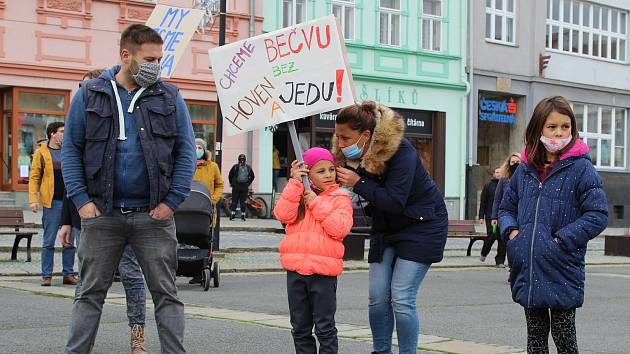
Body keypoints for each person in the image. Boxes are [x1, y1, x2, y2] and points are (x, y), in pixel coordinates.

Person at [62, 24, 196, 354]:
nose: (157, 66)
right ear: (126, 55)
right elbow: (71, 149)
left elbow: (186, 151)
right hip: (101, 214)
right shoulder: (90, 93)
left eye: (160, 59)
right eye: (150, 59)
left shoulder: (169, 96)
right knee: (89, 295)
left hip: (153, 215)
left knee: (166, 295)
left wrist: (172, 200)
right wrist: (81, 201)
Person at [333, 101, 448, 354]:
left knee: (402, 297)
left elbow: (395, 201)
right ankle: (380, 351)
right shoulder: (355, 158)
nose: (340, 143)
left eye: (345, 137)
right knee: (377, 298)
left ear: (365, 136)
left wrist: (359, 182)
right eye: (337, 137)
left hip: (422, 225)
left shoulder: (401, 151)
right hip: (387, 227)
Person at [499, 96, 608, 353]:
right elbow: (506, 207)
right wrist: (513, 234)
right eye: (552, 127)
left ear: (573, 129)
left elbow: (598, 214)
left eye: (565, 126)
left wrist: (561, 240)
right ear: (538, 129)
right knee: (535, 341)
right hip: (529, 266)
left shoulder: (581, 168)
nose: (559, 132)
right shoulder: (525, 169)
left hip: (562, 265)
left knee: (564, 339)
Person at [57, 68, 148, 354]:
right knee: (87, 282)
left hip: (123, 211)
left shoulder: (115, 119)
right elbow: (71, 181)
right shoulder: (79, 125)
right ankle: (82, 342)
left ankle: (137, 337)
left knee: (132, 276)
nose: (85, 94)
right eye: (82, 88)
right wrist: (67, 221)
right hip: (89, 215)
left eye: (88, 87)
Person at [273, 147, 353, 354]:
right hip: (296, 271)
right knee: (299, 327)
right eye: (321, 171)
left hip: (323, 274)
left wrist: (316, 203)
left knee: (325, 328)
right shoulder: (298, 195)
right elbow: (282, 214)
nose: (328, 175)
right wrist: (294, 183)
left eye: (331, 169)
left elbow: (340, 229)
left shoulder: (340, 197)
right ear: (308, 173)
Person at [29, 121, 76, 286]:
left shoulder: (69, 151)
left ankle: (68, 274)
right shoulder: (41, 153)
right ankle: (47, 275)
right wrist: (33, 200)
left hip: (70, 203)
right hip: (52, 203)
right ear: (52, 134)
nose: (65, 134)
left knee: (69, 241)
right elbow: (34, 178)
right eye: (62, 131)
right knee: (49, 241)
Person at [189, 137, 224, 284]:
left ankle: (200, 271)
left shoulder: (212, 166)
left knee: (204, 240)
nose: (197, 150)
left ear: (204, 150)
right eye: (195, 147)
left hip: (205, 210)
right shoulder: (187, 164)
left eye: (200, 148)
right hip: (186, 209)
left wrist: (212, 199)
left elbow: (219, 185)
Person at [488, 152, 521, 267]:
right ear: (509, 164)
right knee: (508, 241)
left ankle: (517, 266)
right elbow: (497, 199)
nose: (515, 164)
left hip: (522, 214)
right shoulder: (504, 179)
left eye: (518, 162)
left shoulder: (526, 177)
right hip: (508, 214)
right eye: (513, 162)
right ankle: (508, 264)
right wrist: (494, 217)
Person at [478, 166, 502, 266]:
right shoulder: (488, 186)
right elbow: (483, 202)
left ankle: (500, 261)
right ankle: (484, 252)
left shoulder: (506, 184)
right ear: (494, 174)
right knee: (492, 236)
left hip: (503, 217)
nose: (499, 174)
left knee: (502, 239)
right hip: (491, 217)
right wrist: (481, 216)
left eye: (500, 172)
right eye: (497, 172)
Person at [228, 153, 254, 221]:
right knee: (243, 201)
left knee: (234, 201)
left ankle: (232, 215)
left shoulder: (235, 167)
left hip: (236, 186)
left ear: (238, 160)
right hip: (244, 187)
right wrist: (248, 183)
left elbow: (230, 175)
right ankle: (243, 215)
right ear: (245, 160)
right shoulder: (248, 167)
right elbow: (252, 176)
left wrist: (232, 183)